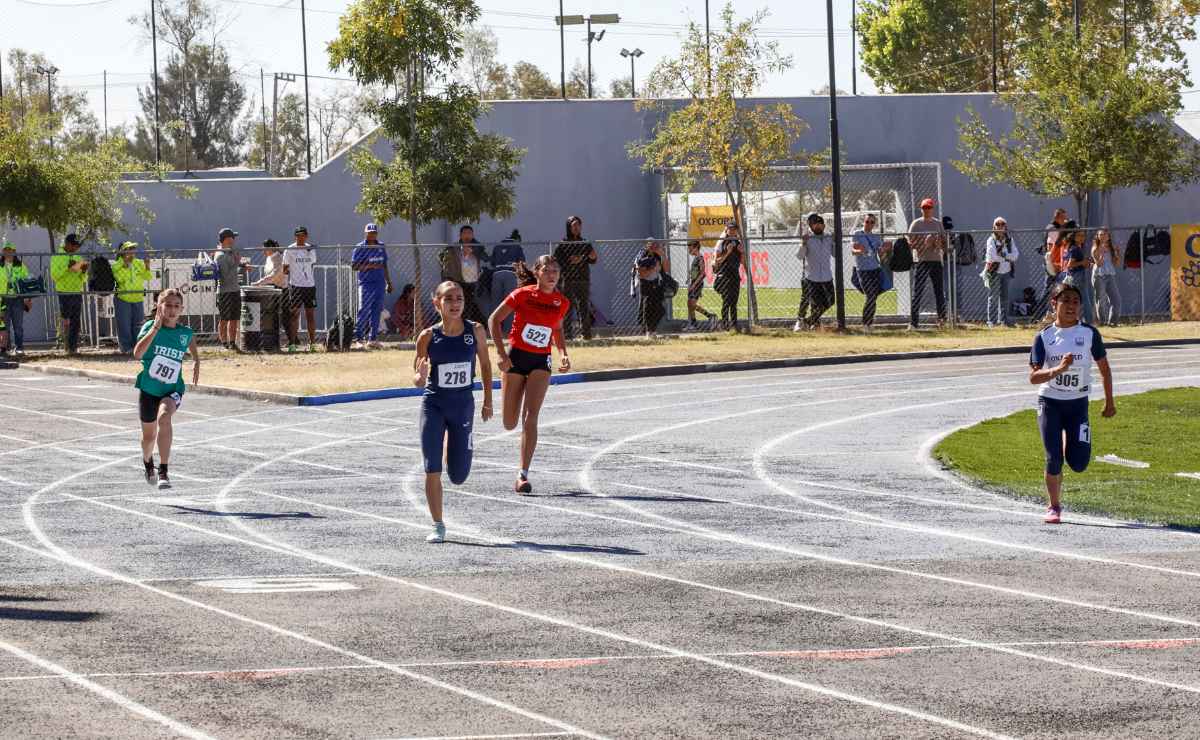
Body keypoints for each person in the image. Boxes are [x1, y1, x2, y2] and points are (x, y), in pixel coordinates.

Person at [412, 281, 494, 543]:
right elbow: (417, 376)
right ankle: (438, 524)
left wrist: (488, 401)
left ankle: (454, 447)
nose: (455, 303)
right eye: (449, 299)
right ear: (437, 303)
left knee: (458, 476)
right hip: (434, 404)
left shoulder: (476, 331)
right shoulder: (427, 336)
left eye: (459, 298)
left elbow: (485, 365)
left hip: (462, 407)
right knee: (431, 467)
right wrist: (420, 376)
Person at [1029, 281, 1115, 524]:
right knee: (1053, 458)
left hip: (1078, 405)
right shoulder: (1044, 337)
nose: (1071, 306)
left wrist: (1110, 402)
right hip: (1050, 403)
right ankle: (1054, 506)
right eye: (1065, 300)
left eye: (1075, 302)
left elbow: (1105, 369)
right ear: (1054, 304)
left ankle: (1070, 437)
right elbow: (1034, 377)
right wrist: (1058, 369)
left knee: (1078, 463)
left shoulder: (1089, 333)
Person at [488, 255, 571, 494]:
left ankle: (522, 475)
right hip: (516, 358)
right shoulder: (522, 295)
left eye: (555, 270)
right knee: (509, 422)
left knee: (531, 416)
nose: (552, 274)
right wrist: (502, 355)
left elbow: (556, 329)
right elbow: (494, 320)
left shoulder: (561, 302)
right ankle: (520, 466)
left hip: (540, 361)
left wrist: (563, 353)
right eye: (547, 270)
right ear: (537, 273)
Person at [133, 288, 200, 491]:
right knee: (148, 438)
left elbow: (190, 340)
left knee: (164, 417)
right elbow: (137, 354)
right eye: (168, 305)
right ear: (159, 306)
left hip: (172, 389)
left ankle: (164, 470)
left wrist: (197, 359)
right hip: (149, 389)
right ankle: (147, 463)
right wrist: (154, 329)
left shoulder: (184, 333)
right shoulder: (149, 327)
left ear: (181, 309)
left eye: (176, 306)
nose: (172, 310)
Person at [552, 216, 597, 340]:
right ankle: (567, 335)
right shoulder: (563, 243)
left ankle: (586, 335)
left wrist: (591, 257)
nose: (576, 228)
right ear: (569, 227)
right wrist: (570, 260)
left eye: (578, 225)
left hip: (583, 279)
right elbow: (556, 260)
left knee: (584, 307)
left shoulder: (585, 242)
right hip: (568, 280)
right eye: (574, 225)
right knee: (567, 307)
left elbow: (593, 259)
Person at [908, 198, 947, 329]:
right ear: (921, 209)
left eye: (929, 208)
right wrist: (924, 243)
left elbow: (944, 243)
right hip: (922, 261)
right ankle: (914, 323)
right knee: (917, 292)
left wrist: (936, 243)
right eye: (924, 208)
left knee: (939, 292)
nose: (927, 210)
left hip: (936, 261)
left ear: (932, 209)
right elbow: (910, 243)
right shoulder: (916, 224)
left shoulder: (938, 224)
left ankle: (942, 320)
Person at [352, 223, 392, 350]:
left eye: (374, 233)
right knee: (363, 310)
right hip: (366, 284)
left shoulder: (380, 246)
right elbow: (354, 266)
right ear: (365, 233)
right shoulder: (360, 247)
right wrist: (369, 266)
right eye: (369, 233)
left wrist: (389, 282)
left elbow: (384, 265)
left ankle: (372, 339)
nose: (372, 235)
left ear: (376, 234)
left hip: (379, 283)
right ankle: (359, 339)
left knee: (376, 311)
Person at [112, 241, 154, 354]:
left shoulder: (138, 263)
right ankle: (126, 348)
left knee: (139, 325)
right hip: (123, 298)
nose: (132, 252)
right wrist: (125, 266)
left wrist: (147, 266)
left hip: (138, 298)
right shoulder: (116, 265)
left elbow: (148, 277)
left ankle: (138, 347)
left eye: (133, 249)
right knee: (124, 325)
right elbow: (120, 279)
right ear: (123, 252)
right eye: (129, 249)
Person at [794, 213, 835, 331]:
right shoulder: (808, 238)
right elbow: (799, 256)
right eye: (815, 225)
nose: (818, 226)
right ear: (811, 227)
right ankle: (805, 322)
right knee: (812, 301)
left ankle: (808, 321)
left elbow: (835, 254)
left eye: (820, 224)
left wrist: (834, 241)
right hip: (812, 276)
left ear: (824, 226)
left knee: (831, 301)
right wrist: (803, 243)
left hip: (827, 276)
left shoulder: (828, 238)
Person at [50, 233, 89, 355]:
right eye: (74, 245)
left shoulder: (78, 257)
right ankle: (65, 345)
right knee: (65, 319)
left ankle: (73, 347)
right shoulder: (57, 256)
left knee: (76, 320)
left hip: (77, 291)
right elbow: (54, 275)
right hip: (64, 291)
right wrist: (66, 267)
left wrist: (83, 271)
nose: (76, 248)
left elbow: (83, 279)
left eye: (77, 246)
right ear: (67, 244)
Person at [282, 226, 318, 352]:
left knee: (310, 315)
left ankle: (312, 343)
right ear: (295, 236)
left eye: (303, 235)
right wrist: (291, 270)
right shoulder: (289, 250)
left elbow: (312, 263)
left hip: (309, 285)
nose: (300, 237)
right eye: (298, 235)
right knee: (294, 315)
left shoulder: (310, 249)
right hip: (296, 285)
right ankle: (292, 343)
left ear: (306, 236)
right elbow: (285, 268)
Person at [851, 214, 889, 331]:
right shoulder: (857, 234)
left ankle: (869, 323)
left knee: (873, 297)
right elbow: (853, 250)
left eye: (872, 222)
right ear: (864, 222)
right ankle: (866, 323)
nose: (869, 224)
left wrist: (884, 250)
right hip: (862, 270)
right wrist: (860, 251)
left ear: (874, 224)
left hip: (875, 269)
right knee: (870, 296)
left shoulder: (876, 237)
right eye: (867, 221)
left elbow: (881, 255)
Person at [213, 228, 247, 350]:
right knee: (224, 319)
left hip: (234, 290)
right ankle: (224, 342)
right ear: (227, 239)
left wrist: (241, 265)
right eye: (233, 237)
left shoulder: (229, 251)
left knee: (234, 318)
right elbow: (226, 276)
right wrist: (237, 263)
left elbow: (234, 265)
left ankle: (232, 343)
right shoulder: (220, 255)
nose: (234, 240)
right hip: (224, 291)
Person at [982, 217, 1019, 328]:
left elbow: (1016, 255)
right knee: (993, 297)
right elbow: (992, 256)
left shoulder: (1009, 240)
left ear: (1005, 226)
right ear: (994, 227)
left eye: (1002, 224)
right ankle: (991, 322)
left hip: (1006, 271)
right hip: (994, 271)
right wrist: (1007, 257)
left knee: (1005, 297)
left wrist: (1004, 256)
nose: (1000, 226)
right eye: (997, 224)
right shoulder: (991, 240)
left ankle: (1003, 320)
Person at [1036, 208, 1069, 318]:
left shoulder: (1058, 228)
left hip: (1057, 263)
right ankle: (1039, 315)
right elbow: (1051, 248)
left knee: (1053, 289)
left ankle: (1047, 314)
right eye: (1063, 218)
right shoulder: (1053, 229)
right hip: (1053, 263)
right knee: (1049, 290)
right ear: (1057, 217)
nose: (1065, 220)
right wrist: (1055, 265)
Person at [489, 229, 526, 330]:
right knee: (510, 302)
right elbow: (522, 262)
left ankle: (493, 328)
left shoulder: (498, 246)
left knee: (496, 302)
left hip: (497, 274)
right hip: (511, 274)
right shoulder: (517, 246)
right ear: (517, 239)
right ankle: (508, 329)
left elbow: (492, 262)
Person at [0, 242, 31, 357]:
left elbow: (27, 281)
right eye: (6, 250)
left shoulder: (21, 265)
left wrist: (28, 299)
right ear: (3, 252)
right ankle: (6, 348)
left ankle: (19, 348)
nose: (8, 252)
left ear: (14, 252)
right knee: (4, 326)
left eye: (10, 250)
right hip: (3, 299)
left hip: (17, 299)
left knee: (18, 325)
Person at [635, 238, 670, 336]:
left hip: (656, 284)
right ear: (647, 246)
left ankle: (652, 330)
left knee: (660, 309)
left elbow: (666, 269)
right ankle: (648, 331)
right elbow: (641, 274)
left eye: (655, 245)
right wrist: (653, 269)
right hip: (645, 284)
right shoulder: (642, 256)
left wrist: (662, 254)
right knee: (647, 309)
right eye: (652, 245)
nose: (655, 247)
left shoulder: (657, 255)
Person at [713, 222, 743, 332]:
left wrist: (742, 252)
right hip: (724, 275)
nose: (732, 231)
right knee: (726, 301)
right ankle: (725, 325)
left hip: (735, 275)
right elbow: (717, 261)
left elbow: (743, 261)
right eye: (730, 229)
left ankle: (734, 325)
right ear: (726, 229)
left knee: (734, 302)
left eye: (734, 229)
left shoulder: (738, 242)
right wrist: (728, 252)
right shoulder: (722, 242)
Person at [1063, 226, 1095, 324]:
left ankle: (1079, 321)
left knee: (1079, 300)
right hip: (1078, 277)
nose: (1082, 238)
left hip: (1077, 275)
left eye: (1083, 236)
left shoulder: (1075, 247)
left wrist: (1086, 263)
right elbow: (1070, 265)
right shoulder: (1075, 249)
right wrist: (1082, 262)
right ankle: (1089, 322)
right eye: (1079, 235)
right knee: (1084, 300)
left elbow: (1077, 263)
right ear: (1074, 237)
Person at [1091, 228, 1122, 327]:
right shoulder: (1095, 248)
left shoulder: (1111, 248)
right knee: (1100, 299)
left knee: (1116, 299)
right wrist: (1101, 254)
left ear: (1108, 237)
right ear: (1098, 236)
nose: (1103, 236)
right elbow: (1099, 264)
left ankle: (1113, 322)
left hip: (1110, 275)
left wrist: (1117, 253)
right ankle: (1102, 322)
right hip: (1099, 275)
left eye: (1105, 234)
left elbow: (1116, 263)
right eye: (1101, 235)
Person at [684, 239, 716, 331]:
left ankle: (710, 316)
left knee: (692, 304)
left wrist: (694, 285)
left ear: (696, 248)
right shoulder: (695, 258)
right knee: (689, 304)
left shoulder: (700, 258)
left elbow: (703, 273)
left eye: (690, 249)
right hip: (693, 283)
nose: (689, 251)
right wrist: (689, 280)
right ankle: (693, 324)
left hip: (697, 284)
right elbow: (695, 272)